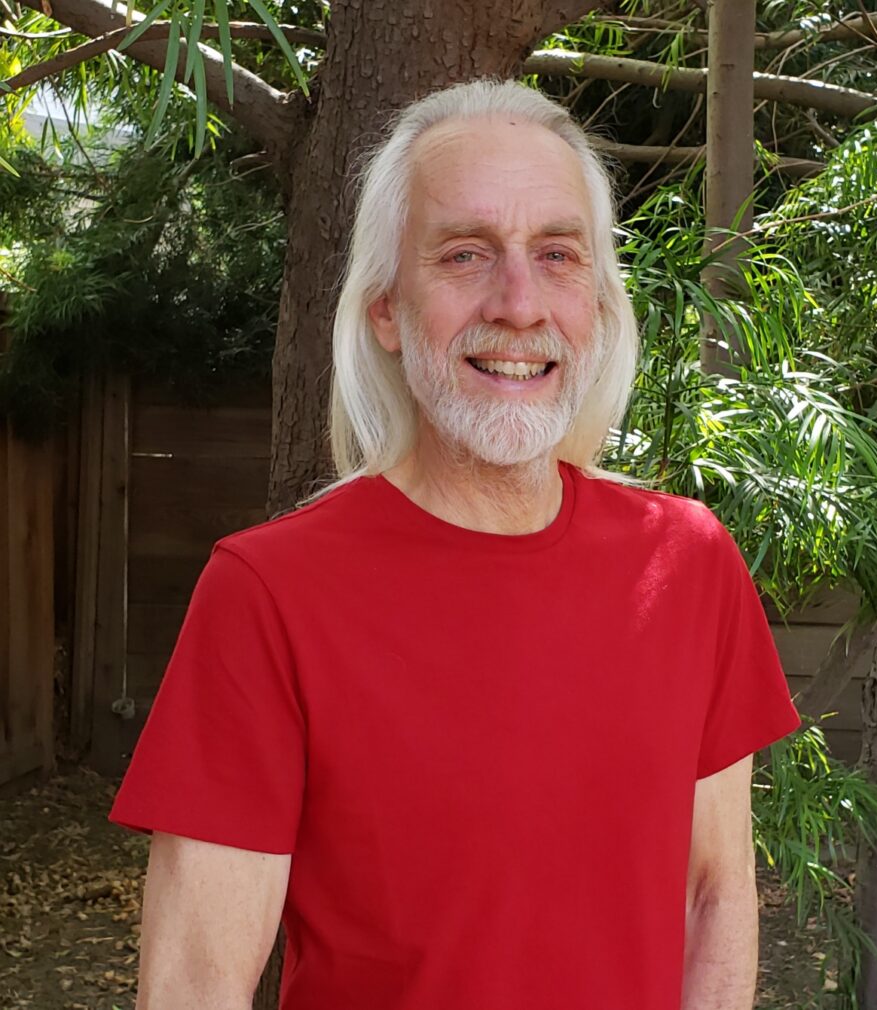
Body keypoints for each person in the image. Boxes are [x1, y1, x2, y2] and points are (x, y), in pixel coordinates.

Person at [110, 79, 800, 1010]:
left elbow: (717, 896)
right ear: (387, 308)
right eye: (466, 253)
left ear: (596, 303)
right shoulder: (269, 593)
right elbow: (193, 987)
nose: (519, 304)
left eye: (557, 255)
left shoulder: (685, 562)